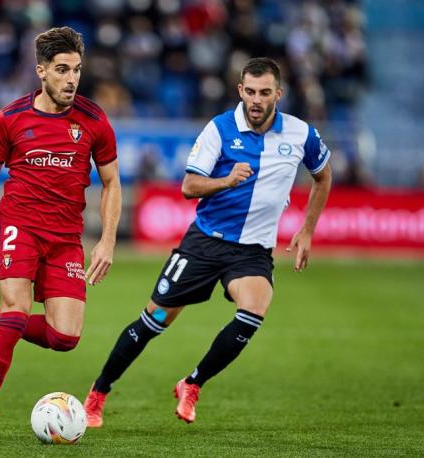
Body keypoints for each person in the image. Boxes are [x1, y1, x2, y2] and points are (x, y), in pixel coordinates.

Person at [83, 57, 332, 427]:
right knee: (154, 321)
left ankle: (192, 384)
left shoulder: (300, 134)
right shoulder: (219, 129)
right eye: (250, 92)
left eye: (265, 92)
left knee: (253, 313)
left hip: (252, 252)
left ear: (278, 93)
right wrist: (227, 181)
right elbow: (188, 186)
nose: (257, 100)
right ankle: (98, 393)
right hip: (205, 243)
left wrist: (307, 230)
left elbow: (323, 176)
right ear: (240, 91)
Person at [0, 26, 121, 442]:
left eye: (78, 70)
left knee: (64, 337)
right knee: (18, 314)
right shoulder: (9, 119)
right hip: (20, 228)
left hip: (66, 237)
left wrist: (106, 240)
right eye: (63, 69)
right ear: (41, 71)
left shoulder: (93, 120)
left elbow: (112, 182)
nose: (72, 79)